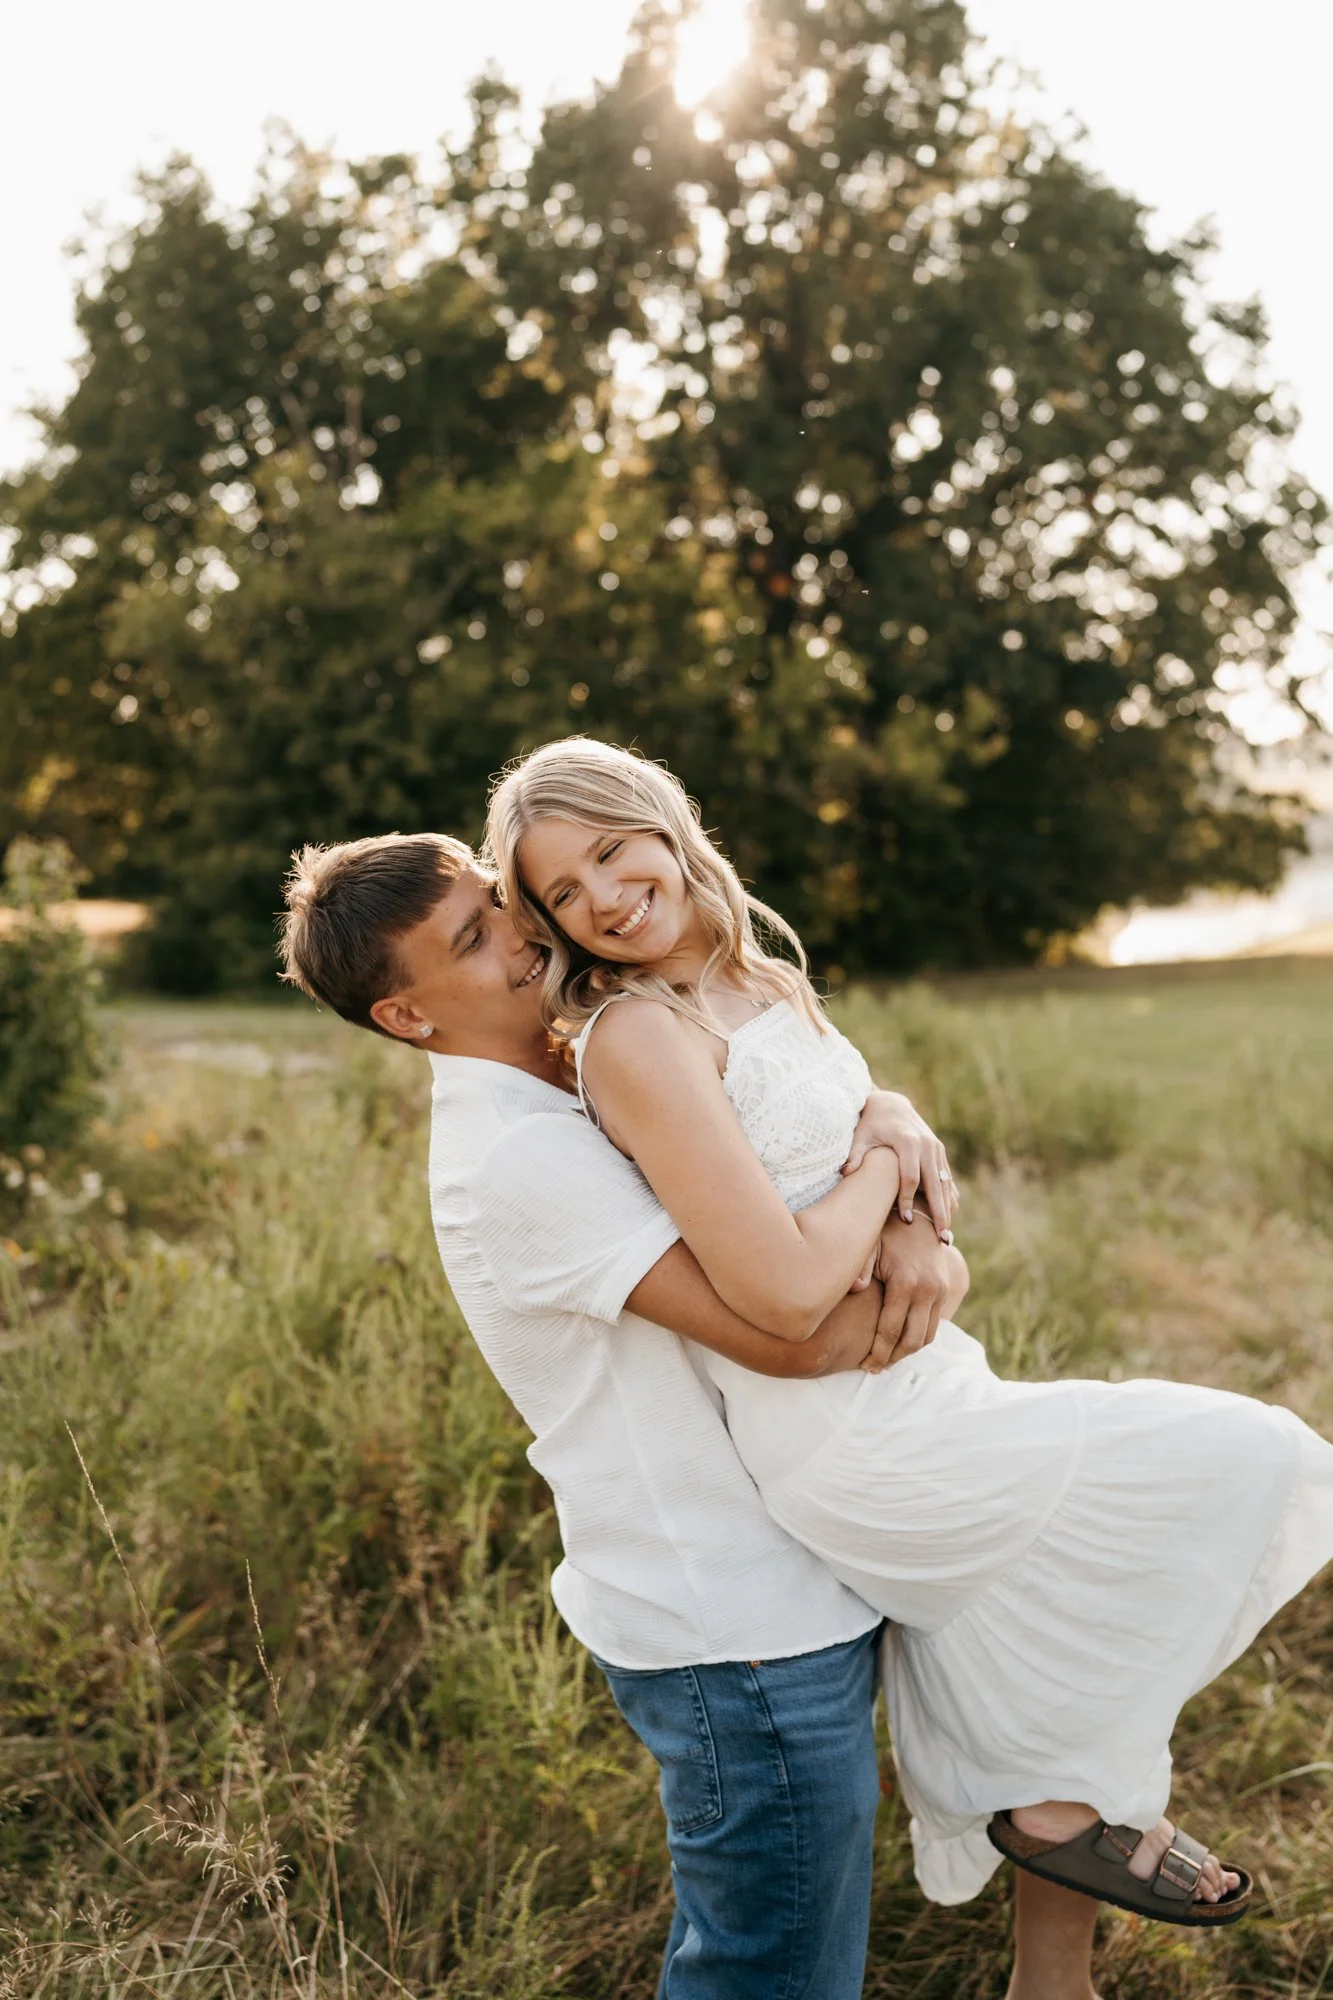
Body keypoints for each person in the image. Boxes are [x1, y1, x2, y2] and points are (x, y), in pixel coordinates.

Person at [488, 734, 1333, 1981]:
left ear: (664, 826)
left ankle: (1056, 1952)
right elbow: (777, 1287)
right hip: (845, 1428)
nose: (604, 897)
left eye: (612, 852)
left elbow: (892, 1199)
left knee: (1046, 1641)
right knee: (1252, 1454)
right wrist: (893, 1144)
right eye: (565, 891)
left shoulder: (760, 980)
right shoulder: (635, 1037)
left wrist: (913, 1191)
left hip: (931, 1378)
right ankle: (1074, 1807)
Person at [278, 829, 963, 2000]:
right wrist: (894, 1190)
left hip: (799, 1569)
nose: (524, 929)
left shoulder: (589, 1065)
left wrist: (887, 1129)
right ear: (407, 1018)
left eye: (498, 901)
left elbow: (786, 1154)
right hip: (728, 1619)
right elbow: (796, 1326)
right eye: (475, 938)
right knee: (769, 1974)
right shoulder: (511, 1155)